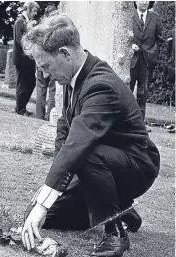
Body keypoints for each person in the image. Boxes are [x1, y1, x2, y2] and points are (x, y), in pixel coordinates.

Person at [20, 14, 160, 257]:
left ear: (65, 54)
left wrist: (44, 200)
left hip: (136, 165)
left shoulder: (100, 84)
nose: (43, 75)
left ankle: (115, 234)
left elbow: (78, 145)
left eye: (45, 66)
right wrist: (47, 199)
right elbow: (63, 140)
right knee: (41, 216)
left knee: (86, 154)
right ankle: (121, 208)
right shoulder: (72, 79)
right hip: (99, 164)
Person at [130, 1, 164, 124]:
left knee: (143, 93)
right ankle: (125, 124)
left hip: (147, 61)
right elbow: (122, 36)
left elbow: (160, 39)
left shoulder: (155, 17)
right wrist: (130, 46)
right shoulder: (129, 16)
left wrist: (153, 51)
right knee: (126, 90)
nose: (144, 2)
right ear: (135, 1)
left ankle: (139, 125)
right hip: (131, 61)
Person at [13, 1, 40, 116]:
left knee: (31, 83)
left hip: (28, 59)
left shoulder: (27, 22)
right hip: (22, 59)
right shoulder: (20, 22)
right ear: (28, 10)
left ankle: (21, 106)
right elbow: (20, 41)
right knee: (23, 83)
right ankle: (20, 109)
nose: (35, 13)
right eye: (34, 10)